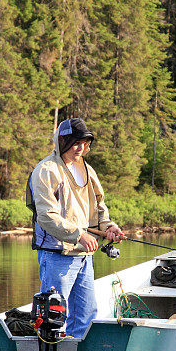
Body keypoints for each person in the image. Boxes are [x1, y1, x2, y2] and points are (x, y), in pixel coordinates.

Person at [28, 118, 125, 338]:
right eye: (75, 143)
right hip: (56, 255)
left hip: (83, 256)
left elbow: (99, 207)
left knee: (86, 314)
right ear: (62, 141)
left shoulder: (87, 170)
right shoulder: (46, 170)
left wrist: (108, 227)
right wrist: (79, 234)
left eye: (85, 143)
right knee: (54, 316)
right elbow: (46, 215)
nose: (81, 148)